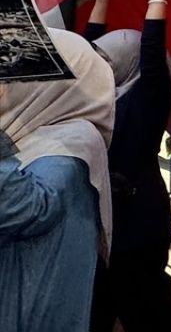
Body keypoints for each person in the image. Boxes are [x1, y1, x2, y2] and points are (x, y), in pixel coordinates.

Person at [85, 0, 171, 331]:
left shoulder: (148, 93)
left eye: (108, 59)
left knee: (147, 304)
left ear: (127, 63)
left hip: (139, 221)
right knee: (110, 299)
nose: (100, 65)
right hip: (109, 221)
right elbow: (87, 52)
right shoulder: (101, 97)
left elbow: (150, 47)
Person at [0, 28, 115, 331]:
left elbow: (21, 210)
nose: (5, 86)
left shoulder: (72, 145)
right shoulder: (28, 135)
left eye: (11, 76)